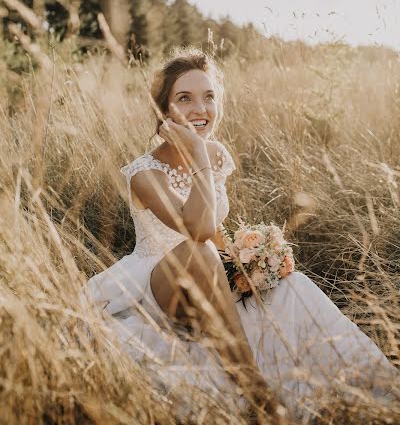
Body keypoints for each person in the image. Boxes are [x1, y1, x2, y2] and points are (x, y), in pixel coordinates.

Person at [84, 48, 398, 421]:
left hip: (208, 268)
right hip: (156, 283)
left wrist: (249, 263)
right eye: (184, 98)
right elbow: (196, 231)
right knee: (200, 254)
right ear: (164, 112)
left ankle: (367, 382)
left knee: (290, 286)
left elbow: (215, 233)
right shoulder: (144, 172)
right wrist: (198, 152)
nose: (200, 109)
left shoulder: (217, 155)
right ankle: (255, 390)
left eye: (209, 96)